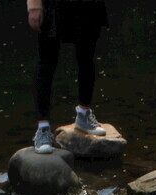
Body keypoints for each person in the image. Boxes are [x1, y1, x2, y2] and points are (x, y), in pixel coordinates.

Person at [27, 0, 109, 154]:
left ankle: (84, 115)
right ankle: (43, 129)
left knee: (87, 57)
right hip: (52, 6)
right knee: (47, 61)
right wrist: (34, 6)